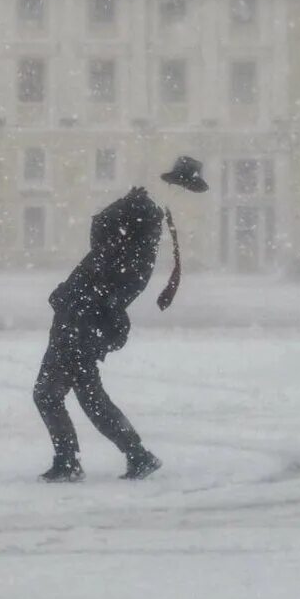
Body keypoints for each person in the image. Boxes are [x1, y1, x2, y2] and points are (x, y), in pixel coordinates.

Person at [33, 156, 209, 483]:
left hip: (81, 316)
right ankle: (130, 454)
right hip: (84, 314)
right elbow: (107, 242)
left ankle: (79, 460)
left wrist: (89, 302)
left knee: (53, 393)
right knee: (80, 393)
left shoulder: (142, 218)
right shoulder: (146, 225)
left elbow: (101, 229)